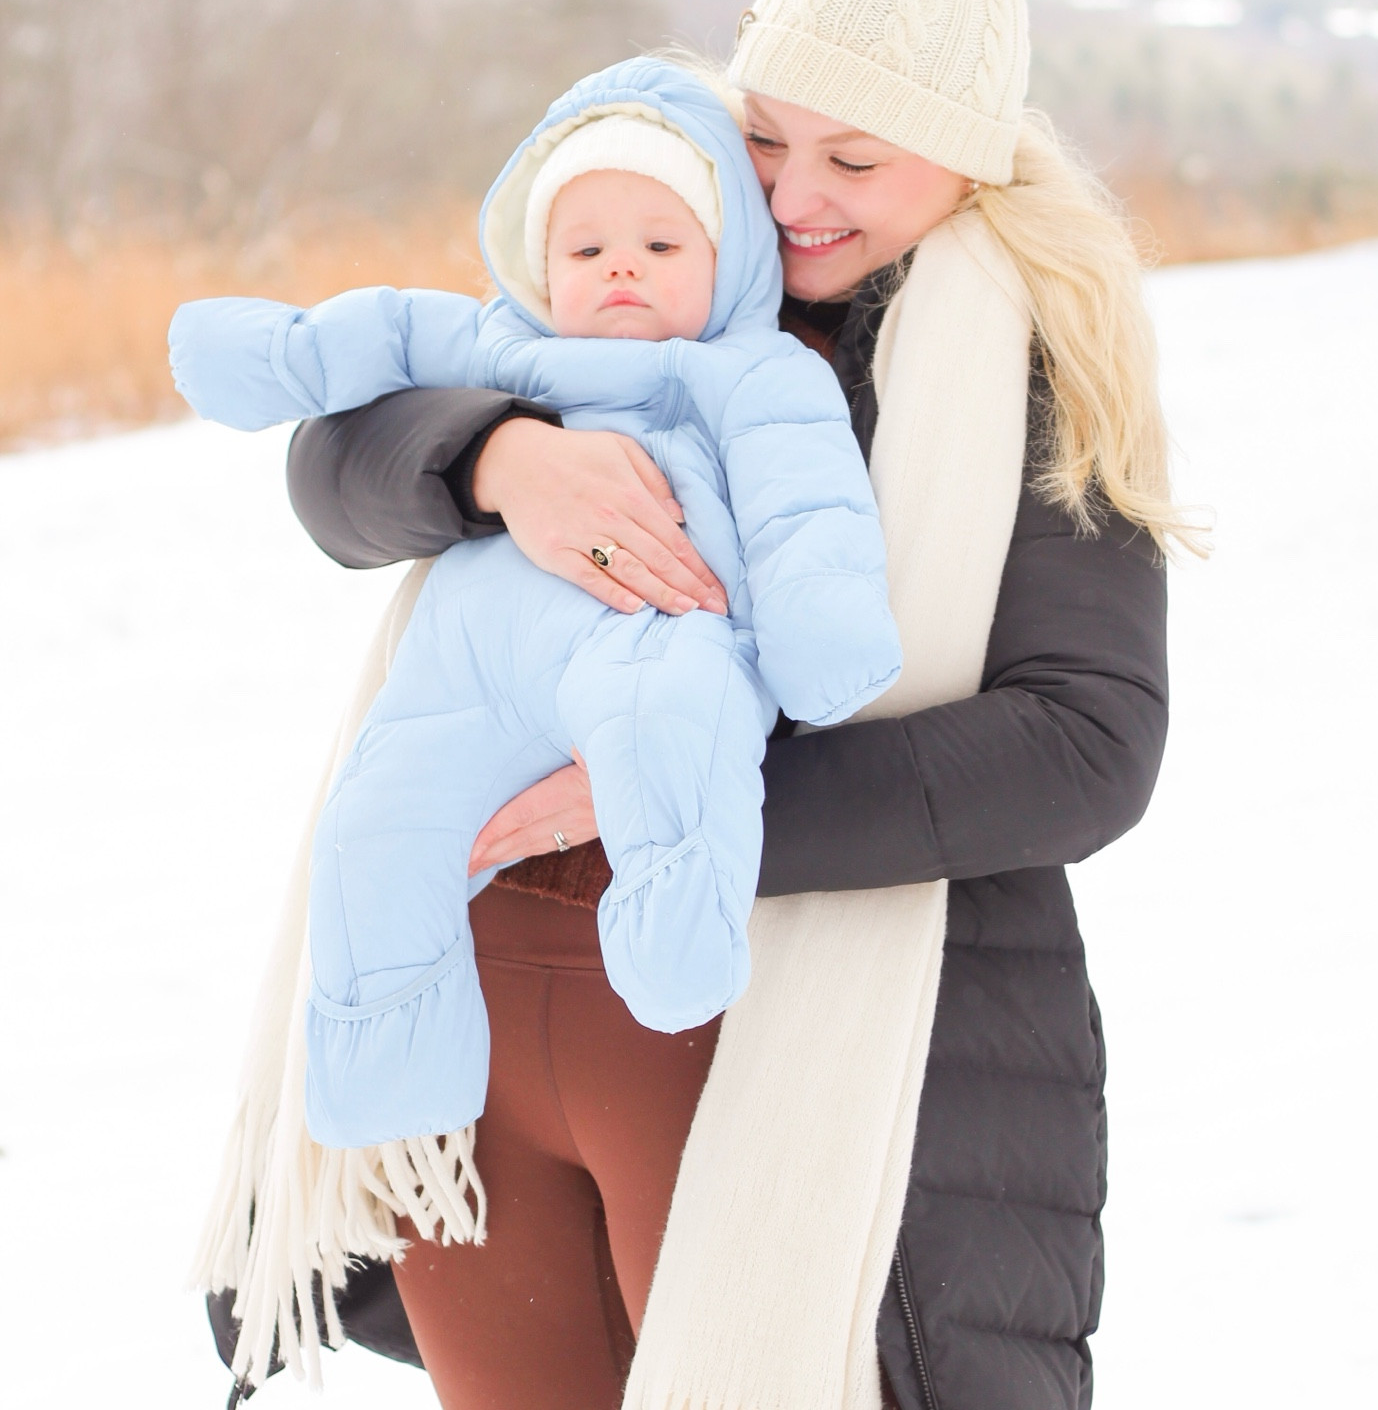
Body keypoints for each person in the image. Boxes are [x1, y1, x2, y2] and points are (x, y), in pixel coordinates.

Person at [265, 0, 1181, 1410]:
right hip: (476, 1042)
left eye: (860, 156)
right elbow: (341, 454)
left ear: (968, 160)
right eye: (767, 132)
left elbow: (1087, 745)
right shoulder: (646, 254)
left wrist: (693, 799)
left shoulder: (1017, 378)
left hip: (771, 1047)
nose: (792, 193)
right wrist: (496, 459)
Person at [169, 64, 900, 1146]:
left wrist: (821, 631)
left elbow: (807, 503)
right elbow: (366, 339)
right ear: (536, 263)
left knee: (676, 728)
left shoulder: (753, 373)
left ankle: (676, 939)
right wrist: (265, 356)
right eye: (586, 249)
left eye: (662, 245)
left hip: (653, 634)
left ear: (731, 257)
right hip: (468, 669)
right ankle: (388, 1071)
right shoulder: (498, 347)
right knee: (376, 820)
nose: (621, 269)